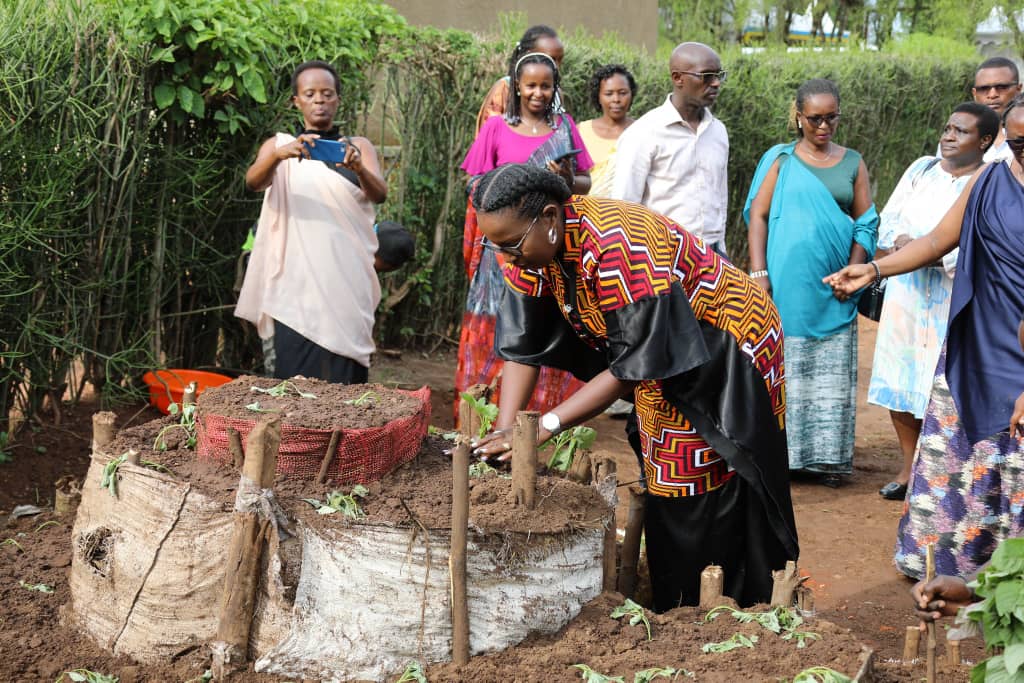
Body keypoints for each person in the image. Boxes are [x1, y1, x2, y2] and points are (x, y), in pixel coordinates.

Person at [469, 164, 798, 611]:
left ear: (549, 217)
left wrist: (547, 425)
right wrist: (507, 432)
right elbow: (523, 347)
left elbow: (633, 366)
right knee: (665, 463)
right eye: (496, 246)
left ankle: (718, 600)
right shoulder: (530, 251)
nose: (507, 257)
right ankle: (676, 596)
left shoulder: (620, 242)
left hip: (728, 340)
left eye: (511, 244)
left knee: (698, 468)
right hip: (658, 349)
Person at [825, 95, 1024, 579]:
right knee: (962, 456)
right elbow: (936, 241)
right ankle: (955, 567)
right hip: (978, 341)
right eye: (1018, 143)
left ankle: (1011, 578)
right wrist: (873, 270)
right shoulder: (988, 181)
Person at [745, 78, 877, 487]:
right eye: (815, 118)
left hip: (836, 285)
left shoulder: (852, 162)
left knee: (831, 371)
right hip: (787, 282)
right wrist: (759, 273)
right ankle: (783, 459)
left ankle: (827, 460)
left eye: (831, 118)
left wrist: (854, 272)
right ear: (798, 116)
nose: (823, 126)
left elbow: (866, 222)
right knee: (785, 364)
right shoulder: (781, 160)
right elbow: (758, 216)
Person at [870, 102, 999, 501]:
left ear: (985, 140)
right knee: (899, 376)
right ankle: (909, 468)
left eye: (961, 131)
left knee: (943, 381)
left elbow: (984, 242)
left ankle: (941, 472)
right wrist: (900, 242)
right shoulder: (921, 169)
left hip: (953, 297)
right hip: (906, 294)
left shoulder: (988, 180)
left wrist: (934, 253)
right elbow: (889, 219)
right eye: (947, 128)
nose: (948, 136)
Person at [455, 53, 593, 415]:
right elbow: (474, 183)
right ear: (517, 86)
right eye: (530, 85)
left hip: (550, 247)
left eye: (546, 86)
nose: (538, 93)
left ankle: (544, 420)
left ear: (555, 88)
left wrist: (564, 179)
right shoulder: (496, 128)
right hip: (504, 252)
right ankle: (485, 418)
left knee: (547, 327)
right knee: (500, 328)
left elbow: (585, 182)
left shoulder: (564, 127)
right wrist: (515, 190)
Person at [236, 60, 387, 384]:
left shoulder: (359, 147)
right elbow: (253, 182)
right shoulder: (278, 146)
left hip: (346, 280)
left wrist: (359, 168)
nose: (319, 100)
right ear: (297, 101)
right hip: (294, 285)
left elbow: (379, 194)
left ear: (337, 100)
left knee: (346, 383)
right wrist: (279, 156)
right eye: (310, 94)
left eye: (327, 94)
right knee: (293, 383)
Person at [611, 42, 729, 258]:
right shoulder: (644, 133)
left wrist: (721, 249)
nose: (716, 83)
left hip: (713, 255)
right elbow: (624, 207)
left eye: (719, 75)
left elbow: (720, 197)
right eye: (707, 76)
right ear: (678, 78)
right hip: (664, 256)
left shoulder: (718, 131)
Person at [475, 25, 565, 134]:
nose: (556, 66)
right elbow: (488, 135)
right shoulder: (504, 89)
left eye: (560, 60)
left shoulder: (556, 93)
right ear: (529, 55)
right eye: (550, 59)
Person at [938, 57, 1021, 162]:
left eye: (1001, 87)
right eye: (984, 89)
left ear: (1018, 90)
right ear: (974, 94)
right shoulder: (952, 139)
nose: (992, 95)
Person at [577, 64, 637, 198]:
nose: (616, 99)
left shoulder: (642, 131)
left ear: (631, 94)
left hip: (630, 208)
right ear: (598, 96)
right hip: (586, 208)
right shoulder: (581, 131)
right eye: (609, 94)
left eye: (623, 93)